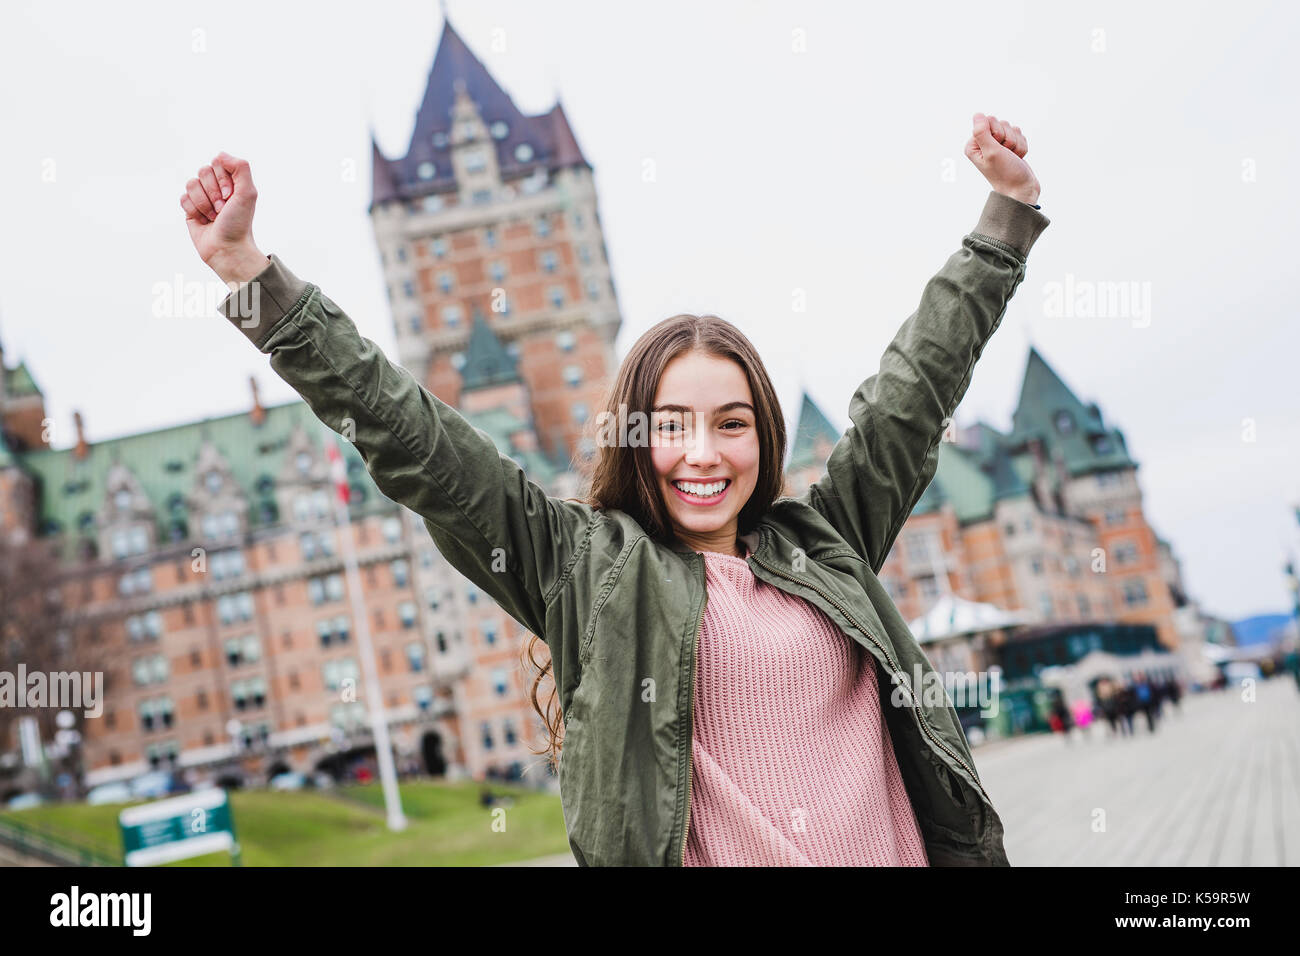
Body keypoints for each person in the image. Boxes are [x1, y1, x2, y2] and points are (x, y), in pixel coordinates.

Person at [180, 112, 1048, 867]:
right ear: (634, 436)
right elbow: (416, 440)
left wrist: (1002, 221)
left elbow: (912, 396)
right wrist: (253, 280)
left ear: (765, 439)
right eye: (671, 424)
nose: (702, 453)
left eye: (732, 423)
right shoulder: (581, 571)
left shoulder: (825, 545)